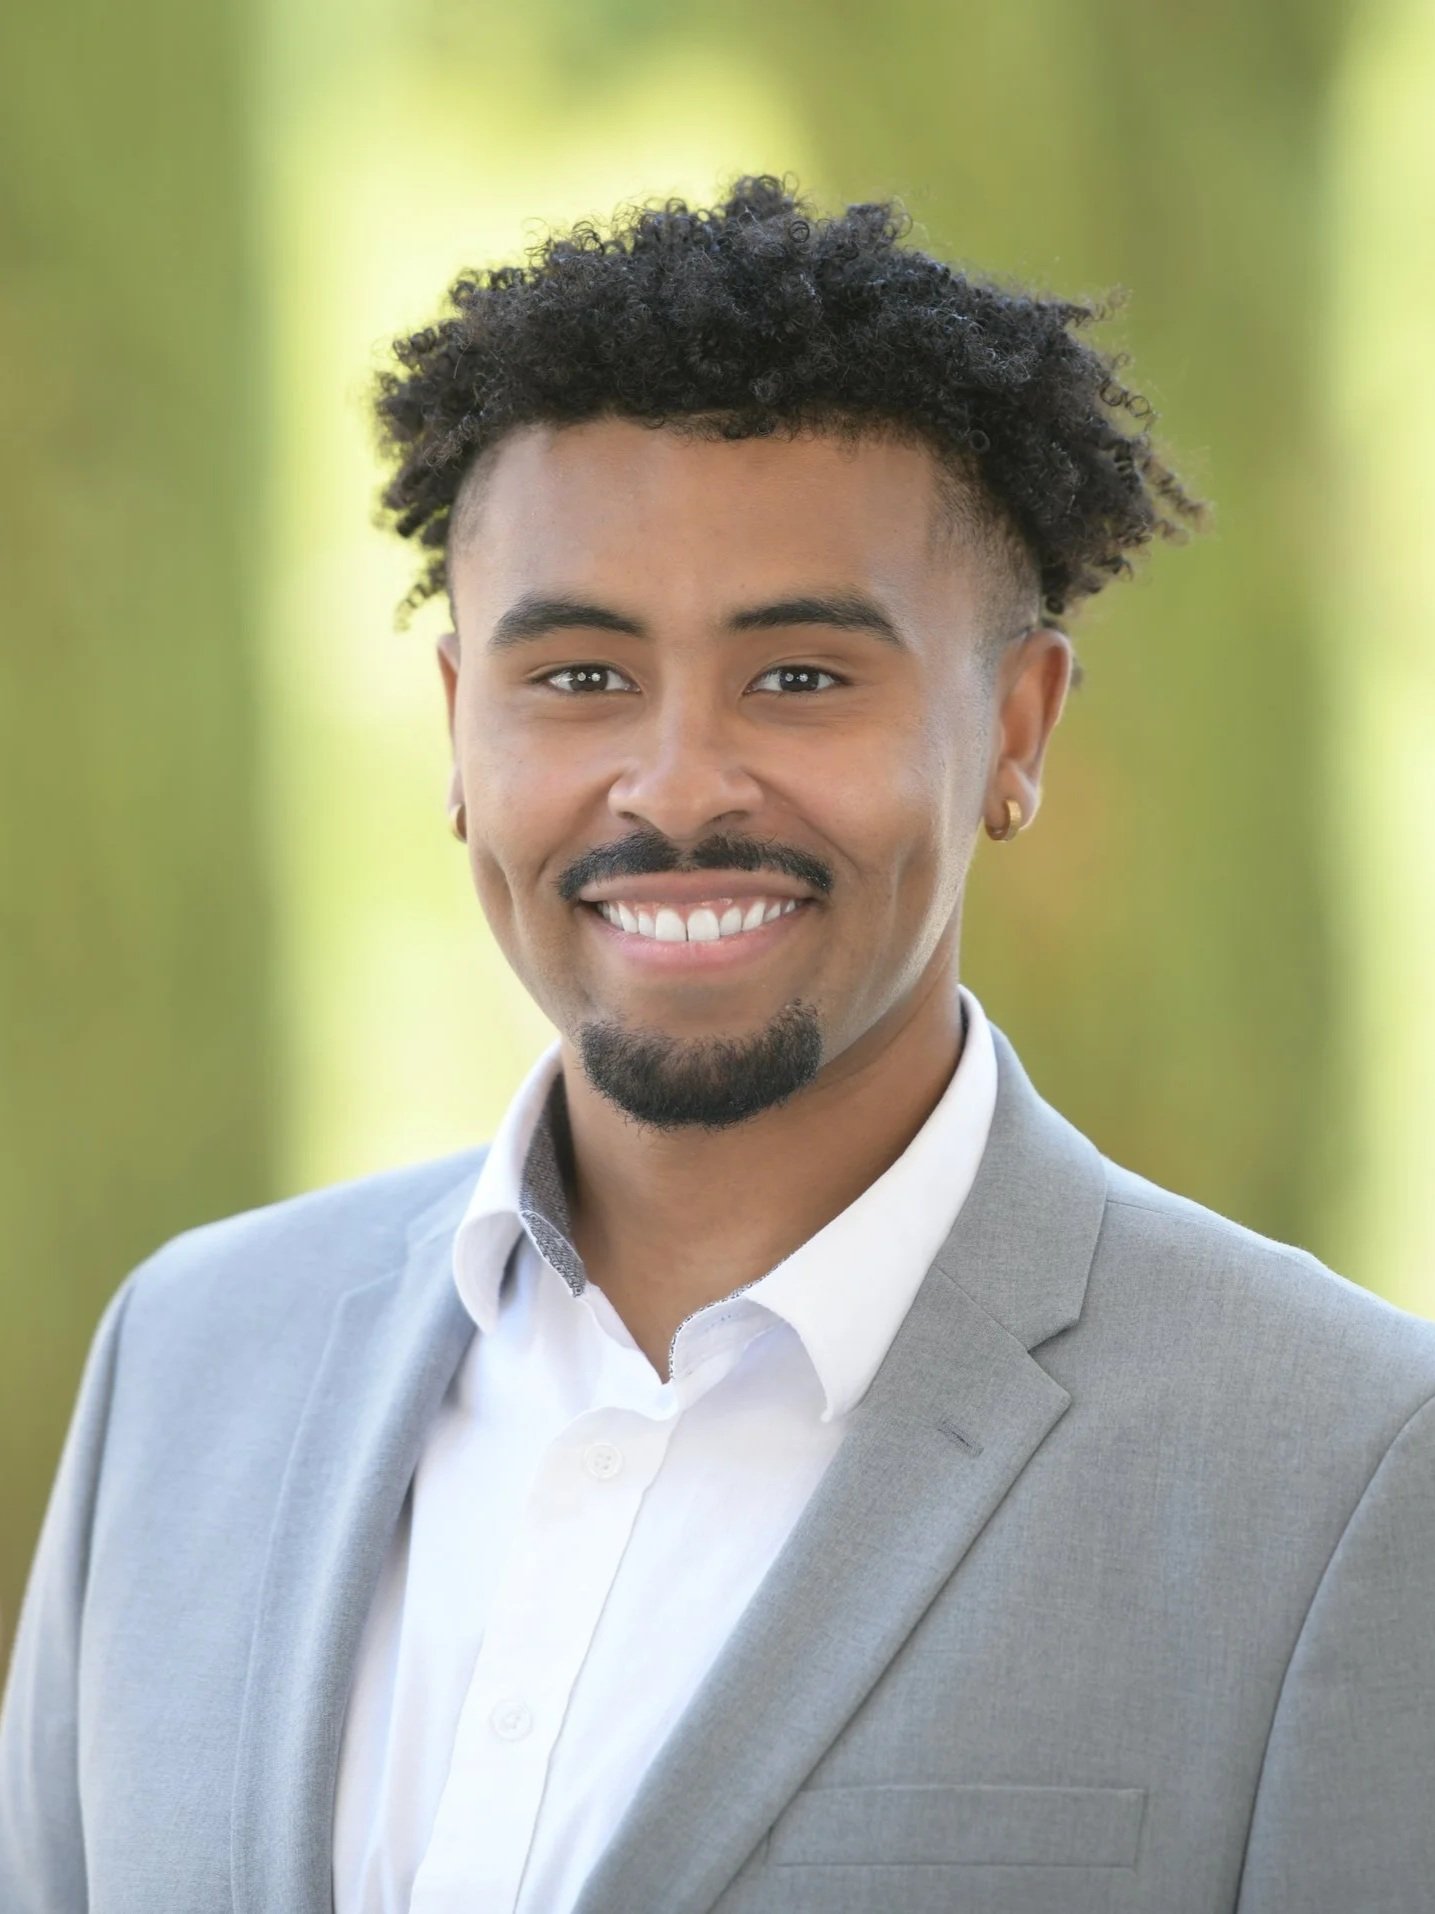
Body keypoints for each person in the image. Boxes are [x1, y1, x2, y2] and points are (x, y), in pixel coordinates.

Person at [3, 174, 1433, 1914]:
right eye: (582, 678)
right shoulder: (186, 1361)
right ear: (461, 725)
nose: (677, 784)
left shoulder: (1349, 1470)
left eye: (803, 677)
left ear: (1020, 726)